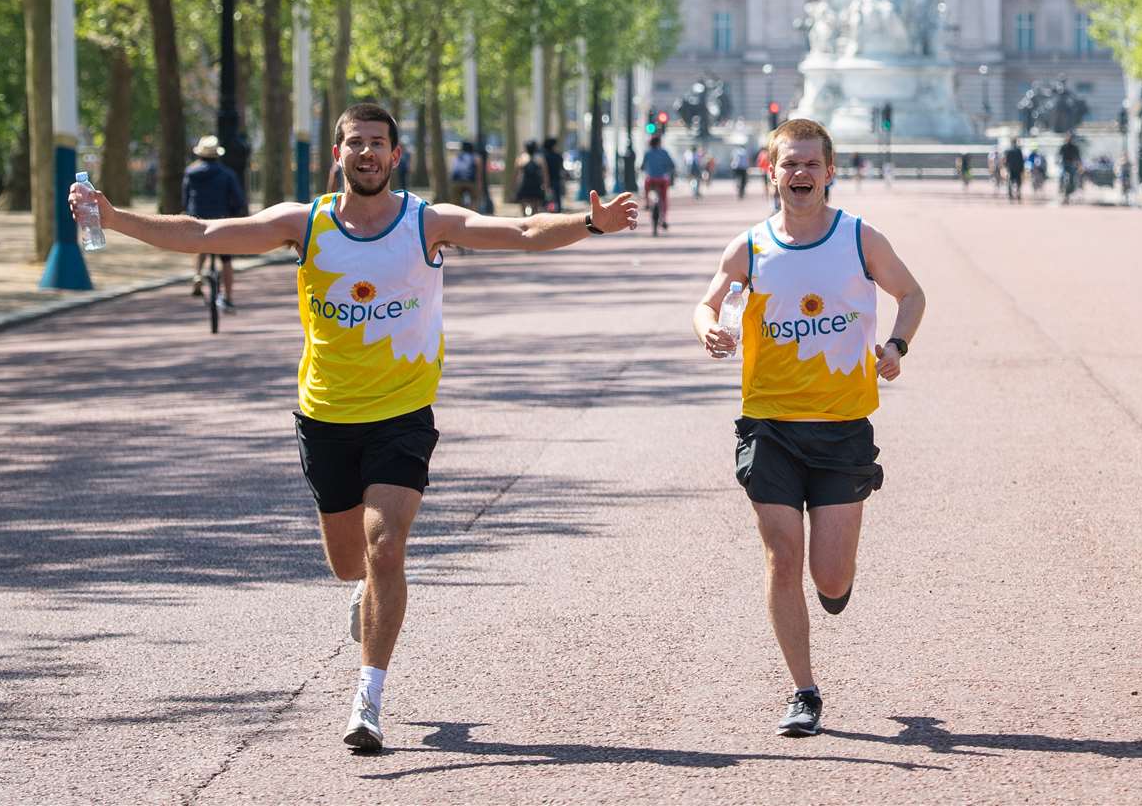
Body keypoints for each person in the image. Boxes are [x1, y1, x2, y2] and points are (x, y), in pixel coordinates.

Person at [68, 102, 638, 753]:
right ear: (337, 154)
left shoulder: (426, 222)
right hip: (326, 417)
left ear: (396, 156)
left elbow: (522, 232)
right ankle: (367, 598)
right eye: (355, 143)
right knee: (349, 565)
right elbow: (200, 232)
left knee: (385, 545)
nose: (366, 153)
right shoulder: (303, 224)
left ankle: (367, 699)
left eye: (377, 144)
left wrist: (588, 222)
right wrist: (113, 218)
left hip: (401, 413)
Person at [692, 118, 924, 738]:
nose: (799, 174)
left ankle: (835, 586)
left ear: (829, 172)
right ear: (771, 172)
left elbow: (912, 294)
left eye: (810, 165)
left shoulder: (859, 240)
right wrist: (706, 326)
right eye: (788, 164)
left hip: (843, 426)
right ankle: (804, 691)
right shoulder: (749, 247)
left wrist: (897, 344)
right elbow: (707, 302)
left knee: (830, 576)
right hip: (769, 425)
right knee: (781, 556)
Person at [183, 135, 248, 309]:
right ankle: (228, 297)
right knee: (226, 260)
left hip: (198, 218)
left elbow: (186, 196)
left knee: (200, 246)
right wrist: (236, 214)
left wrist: (188, 213)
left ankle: (197, 275)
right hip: (221, 220)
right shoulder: (227, 174)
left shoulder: (191, 172)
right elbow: (238, 199)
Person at [641, 134, 676, 230]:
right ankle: (664, 219)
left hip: (651, 179)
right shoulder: (664, 152)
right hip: (662, 179)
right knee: (664, 199)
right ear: (659, 143)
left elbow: (642, 166)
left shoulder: (647, 153)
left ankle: (647, 203)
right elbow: (672, 165)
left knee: (646, 189)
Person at [514, 141, 547, 216]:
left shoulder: (521, 158)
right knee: (535, 210)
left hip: (524, 185)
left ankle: (524, 220)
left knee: (523, 208)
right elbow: (545, 175)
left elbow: (516, 175)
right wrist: (546, 186)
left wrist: (514, 187)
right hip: (536, 185)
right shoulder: (540, 159)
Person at [450, 142, 479, 209]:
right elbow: (478, 174)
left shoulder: (457, 157)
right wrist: (479, 186)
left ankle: (457, 213)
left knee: (456, 202)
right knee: (474, 199)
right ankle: (472, 212)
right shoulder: (475, 157)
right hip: (470, 180)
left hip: (456, 181)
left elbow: (453, 170)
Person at [1056, 133, 1082, 205]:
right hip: (1064, 164)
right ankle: (1060, 188)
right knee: (1061, 176)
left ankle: (1070, 191)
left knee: (1073, 178)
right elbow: (1059, 155)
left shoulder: (1074, 147)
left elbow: (1078, 157)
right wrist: (1057, 161)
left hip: (1071, 165)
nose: (1068, 139)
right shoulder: (1063, 147)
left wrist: (1079, 165)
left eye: (1070, 138)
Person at [542, 137, 565, 212]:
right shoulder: (557, 156)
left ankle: (548, 212)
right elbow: (561, 168)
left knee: (547, 200)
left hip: (545, 181)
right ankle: (557, 213)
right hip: (556, 180)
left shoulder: (543, 156)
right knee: (556, 200)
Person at [1003, 138, 1025, 203]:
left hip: (1011, 169)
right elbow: (1021, 161)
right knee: (1018, 182)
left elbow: (1006, 161)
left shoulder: (1008, 150)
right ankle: (1018, 194)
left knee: (1009, 182)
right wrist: (1022, 169)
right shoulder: (1019, 151)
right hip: (1018, 169)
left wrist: (1006, 168)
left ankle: (1010, 195)